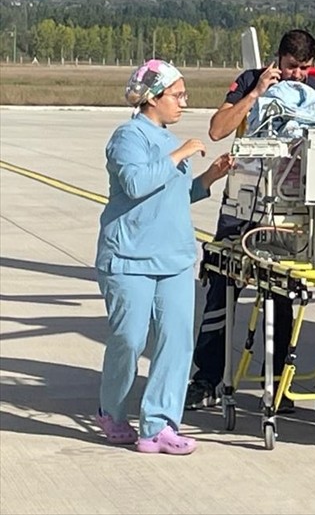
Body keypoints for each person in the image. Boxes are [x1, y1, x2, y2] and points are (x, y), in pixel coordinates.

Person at [186, 28, 315, 411]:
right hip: (243, 205)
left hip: (288, 209)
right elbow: (218, 129)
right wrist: (255, 94)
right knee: (222, 289)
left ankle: (278, 381)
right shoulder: (253, 82)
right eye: (290, 67)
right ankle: (206, 378)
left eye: (304, 68)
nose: (297, 75)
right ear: (277, 61)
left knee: (281, 295)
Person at [96, 60, 233, 454]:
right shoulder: (128, 137)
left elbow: (175, 194)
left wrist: (209, 177)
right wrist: (180, 153)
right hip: (130, 258)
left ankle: (158, 425)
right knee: (129, 338)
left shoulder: (169, 144)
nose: (183, 103)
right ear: (152, 97)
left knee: (175, 342)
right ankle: (112, 409)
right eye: (177, 95)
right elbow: (137, 183)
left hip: (173, 258)